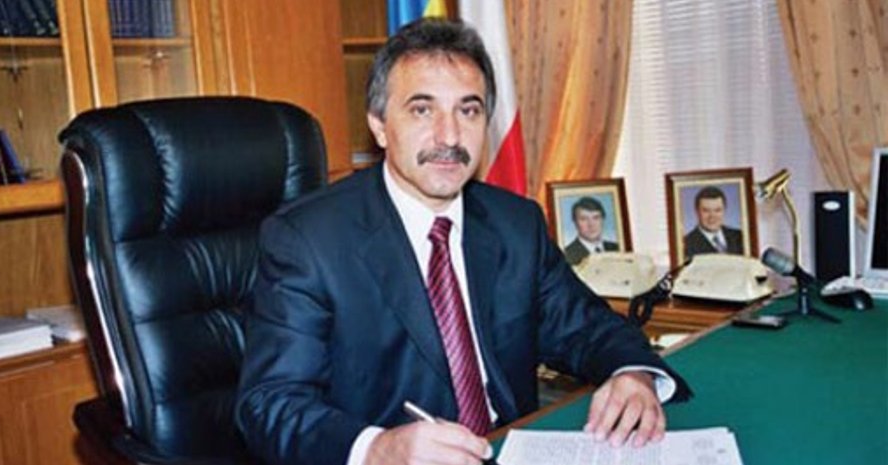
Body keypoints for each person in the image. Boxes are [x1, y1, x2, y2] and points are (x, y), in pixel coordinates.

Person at [236, 18, 690, 465]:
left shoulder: (515, 223)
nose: (450, 136)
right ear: (379, 125)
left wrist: (633, 372)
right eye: (422, 110)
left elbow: (586, 325)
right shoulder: (309, 240)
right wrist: (376, 449)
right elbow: (270, 402)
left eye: (468, 111)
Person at [683, 186, 744, 260]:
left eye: (717, 210)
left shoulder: (740, 237)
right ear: (697, 211)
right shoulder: (685, 244)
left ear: (724, 210)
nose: (712, 216)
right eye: (706, 210)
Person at [563, 196, 620, 266]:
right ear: (575, 222)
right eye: (583, 219)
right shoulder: (566, 255)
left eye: (596, 217)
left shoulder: (617, 248)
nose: (591, 224)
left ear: (603, 219)